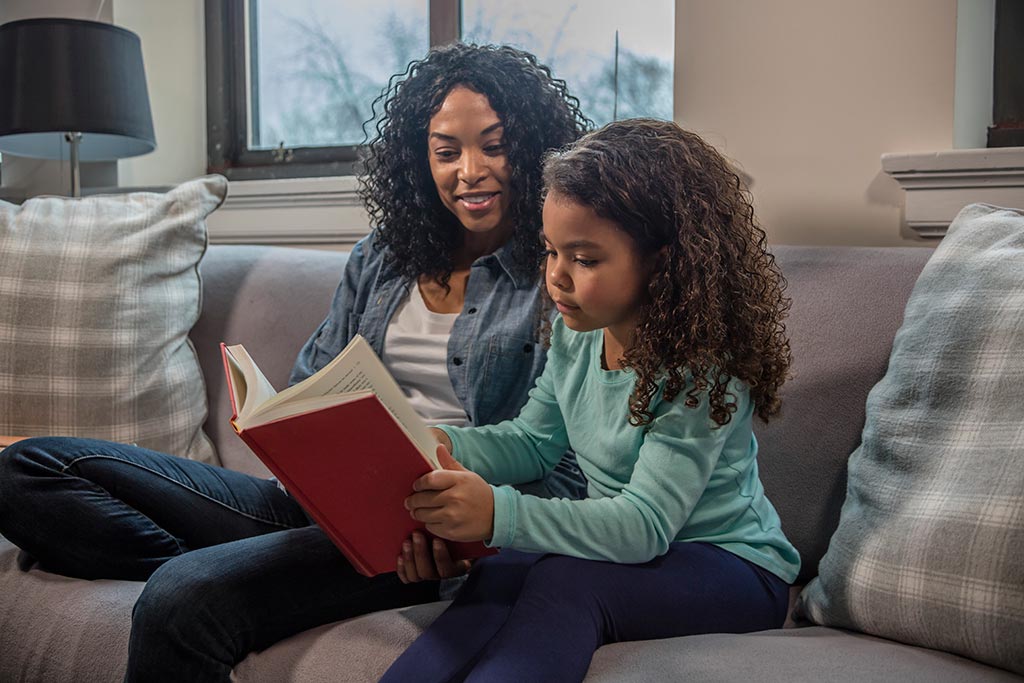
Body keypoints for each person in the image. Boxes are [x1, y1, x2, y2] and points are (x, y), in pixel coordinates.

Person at [0, 43, 591, 682]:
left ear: (534, 150)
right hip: (318, 506)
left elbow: (565, 470)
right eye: (446, 151)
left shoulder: (558, 277)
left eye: (494, 146)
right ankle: (258, 559)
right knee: (27, 470)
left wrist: (473, 531)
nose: (469, 171)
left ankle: (235, 567)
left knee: (182, 599)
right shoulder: (384, 257)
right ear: (421, 160)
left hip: (430, 537)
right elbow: (315, 384)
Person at [380, 118, 803, 682]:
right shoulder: (576, 335)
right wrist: (438, 441)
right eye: (551, 251)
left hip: (734, 568)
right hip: (641, 550)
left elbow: (645, 524)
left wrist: (497, 513)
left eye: (584, 259)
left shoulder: (701, 371)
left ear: (663, 261)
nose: (556, 277)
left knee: (565, 582)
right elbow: (532, 444)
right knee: (502, 570)